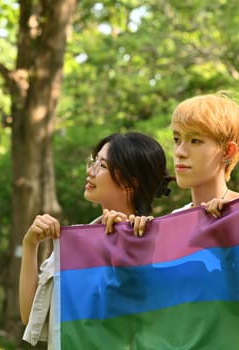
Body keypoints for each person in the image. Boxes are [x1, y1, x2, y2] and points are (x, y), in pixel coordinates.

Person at [19, 132, 172, 347]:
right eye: (93, 162)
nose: (90, 172)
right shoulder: (74, 244)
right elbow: (29, 316)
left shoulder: (155, 244)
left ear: (130, 182)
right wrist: (30, 245)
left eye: (102, 165)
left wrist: (127, 243)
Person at [108, 92, 239, 236]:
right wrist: (140, 237)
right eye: (177, 139)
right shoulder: (173, 222)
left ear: (227, 151)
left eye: (195, 140)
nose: (179, 152)